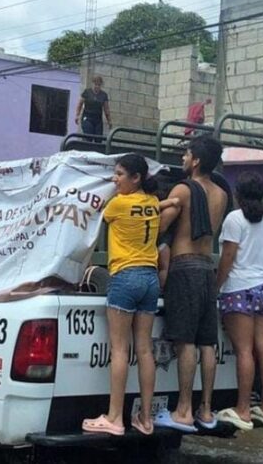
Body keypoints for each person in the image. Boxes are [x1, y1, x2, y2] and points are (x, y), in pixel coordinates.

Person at [82, 154, 178, 436]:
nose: (115, 178)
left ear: (135, 178)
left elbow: (96, 211)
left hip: (124, 277)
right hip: (150, 279)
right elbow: (152, 207)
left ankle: (114, 417)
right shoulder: (149, 202)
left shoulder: (117, 205)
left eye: (120, 174)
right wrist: (170, 202)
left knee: (120, 350)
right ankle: (145, 419)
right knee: (145, 349)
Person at [153, 135, 230, 433]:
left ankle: (183, 411)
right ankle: (206, 411)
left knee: (186, 342)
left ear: (196, 160)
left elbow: (160, 227)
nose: (183, 159)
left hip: (184, 268)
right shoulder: (221, 194)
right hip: (206, 268)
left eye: (186, 154)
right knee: (206, 342)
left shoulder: (183, 190)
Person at [215, 172, 263, 430]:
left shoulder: (234, 218)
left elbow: (228, 256)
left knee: (243, 350)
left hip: (239, 288)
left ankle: (242, 410)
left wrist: (216, 285)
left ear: (236, 194)